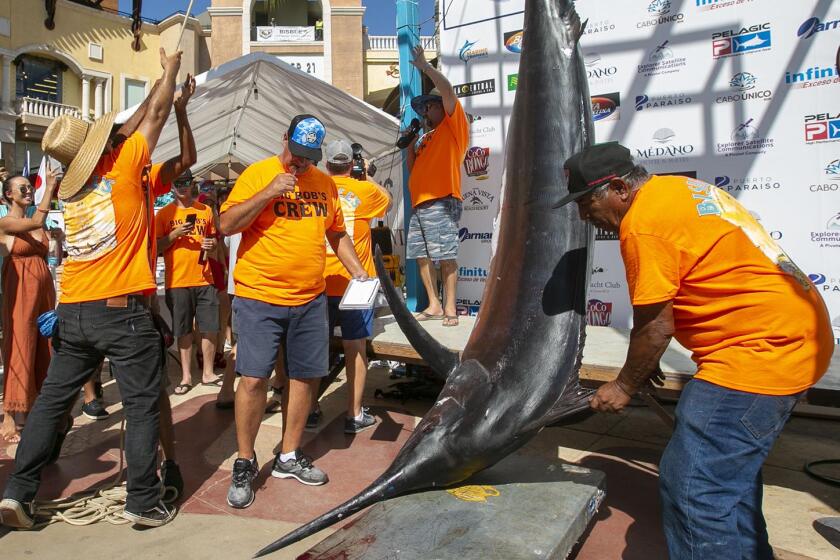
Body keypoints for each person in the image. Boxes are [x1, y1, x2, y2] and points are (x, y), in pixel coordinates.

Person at [555, 142, 834, 560]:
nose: (583, 215)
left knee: (695, 488)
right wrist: (643, 363)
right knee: (727, 478)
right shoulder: (677, 191)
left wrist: (624, 385)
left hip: (759, 353)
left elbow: (656, 325)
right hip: (797, 338)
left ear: (617, 188)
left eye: (586, 202)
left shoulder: (644, 224)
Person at [0, 47, 183, 530]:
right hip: (121, 311)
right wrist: (168, 72)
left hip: (74, 309)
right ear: (103, 148)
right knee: (143, 404)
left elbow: (128, 129)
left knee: (52, 404)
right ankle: (143, 500)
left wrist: (146, 102)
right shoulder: (124, 169)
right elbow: (158, 114)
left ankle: (19, 493)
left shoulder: (72, 188)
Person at [219, 114, 368, 509]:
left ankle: (288, 455)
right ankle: (246, 461)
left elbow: (336, 232)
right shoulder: (258, 174)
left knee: (305, 376)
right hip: (259, 297)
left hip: (310, 299)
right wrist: (268, 192)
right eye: (295, 154)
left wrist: (357, 271)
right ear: (283, 139)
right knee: (253, 379)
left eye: (307, 157)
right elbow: (226, 224)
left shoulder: (324, 184)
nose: (299, 163)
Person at [318, 139, 391, 433]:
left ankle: (309, 409)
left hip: (319, 281)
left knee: (314, 349)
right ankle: (354, 413)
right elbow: (387, 199)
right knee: (355, 347)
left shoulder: (318, 189)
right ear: (351, 164)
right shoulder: (366, 190)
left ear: (326, 165)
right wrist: (367, 175)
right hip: (355, 281)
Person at [401, 44, 469, 327]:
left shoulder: (453, 127)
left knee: (446, 256)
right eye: (425, 107)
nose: (426, 110)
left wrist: (426, 68)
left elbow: (449, 91)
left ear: (443, 107)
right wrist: (409, 144)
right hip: (420, 203)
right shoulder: (424, 137)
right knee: (421, 255)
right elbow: (413, 170)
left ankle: (451, 307)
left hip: (442, 199)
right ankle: (434, 304)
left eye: (430, 104)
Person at [0, 172, 59, 443]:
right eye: (22, 188)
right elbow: (36, 219)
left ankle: (37, 406)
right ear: (8, 195)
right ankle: (12, 413)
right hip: (21, 287)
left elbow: (51, 253)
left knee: (45, 343)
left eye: (29, 187)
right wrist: (50, 186)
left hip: (43, 288)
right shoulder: (6, 221)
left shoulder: (39, 225)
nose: (28, 191)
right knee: (20, 343)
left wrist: (56, 239)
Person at [155, 171, 219, 395]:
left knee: (210, 327)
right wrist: (174, 235)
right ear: (172, 186)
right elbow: (155, 248)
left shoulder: (206, 210)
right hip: (178, 280)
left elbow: (213, 240)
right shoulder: (164, 214)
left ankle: (208, 373)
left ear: (192, 184)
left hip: (204, 277)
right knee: (183, 330)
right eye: (177, 182)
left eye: (185, 182)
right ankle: (186, 376)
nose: (182, 186)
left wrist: (211, 245)